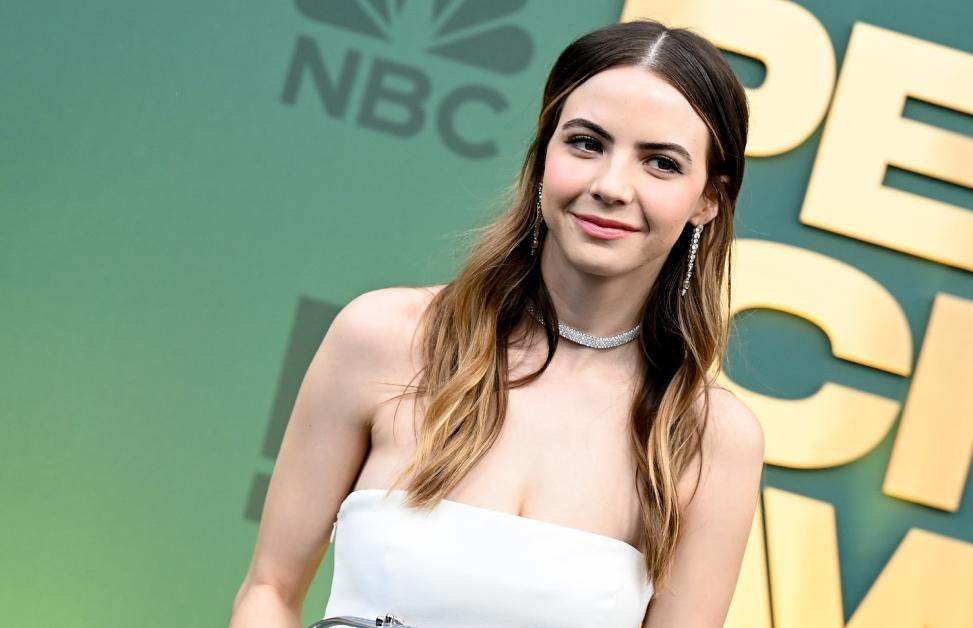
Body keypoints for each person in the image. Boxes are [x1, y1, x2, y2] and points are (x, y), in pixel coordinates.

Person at [229, 18, 763, 628]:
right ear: (542, 156)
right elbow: (269, 588)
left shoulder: (710, 439)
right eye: (586, 143)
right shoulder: (382, 338)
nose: (612, 186)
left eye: (661, 163)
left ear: (708, 199)